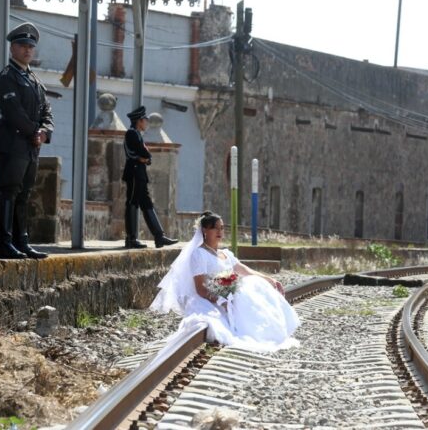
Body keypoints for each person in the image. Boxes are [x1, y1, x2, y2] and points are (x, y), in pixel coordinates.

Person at [150, 211, 300, 352]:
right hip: (212, 297)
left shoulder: (225, 254)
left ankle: (269, 331)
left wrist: (269, 279)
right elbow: (201, 288)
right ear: (204, 231)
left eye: (221, 228)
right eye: (215, 228)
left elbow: (245, 271)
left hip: (230, 291)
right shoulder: (199, 254)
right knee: (242, 294)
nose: (220, 232)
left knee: (255, 283)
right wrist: (220, 300)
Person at [0, 23, 54, 259]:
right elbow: (13, 112)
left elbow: (47, 110)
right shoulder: (7, 77)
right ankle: (4, 244)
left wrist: (45, 131)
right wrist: (35, 131)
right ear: (12, 48)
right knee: (9, 191)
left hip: (31, 145)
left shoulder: (34, 80)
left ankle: (21, 241)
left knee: (24, 194)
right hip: (12, 143)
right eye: (22, 46)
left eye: (30, 47)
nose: (27, 50)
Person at [123, 107, 178, 249]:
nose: (146, 122)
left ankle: (159, 236)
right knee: (132, 203)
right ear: (139, 121)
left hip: (139, 173)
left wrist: (145, 157)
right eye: (145, 120)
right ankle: (131, 238)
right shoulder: (131, 133)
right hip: (134, 172)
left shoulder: (137, 134)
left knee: (146, 203)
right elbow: (138, 153)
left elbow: (146, 156)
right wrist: (144, 157)